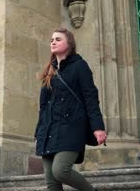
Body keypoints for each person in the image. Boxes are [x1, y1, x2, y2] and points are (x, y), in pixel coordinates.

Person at [34, 27, 107, 191]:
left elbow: (90, 98)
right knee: (51, 182)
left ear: (70, 43)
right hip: (49, 130)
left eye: (58, 39)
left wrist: (98, 127)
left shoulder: (80, 66)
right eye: (52, 39)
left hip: (72, 127)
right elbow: (44, 106)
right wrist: (39, 132)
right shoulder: (49, 71)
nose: (53, 42)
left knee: (61, 171)